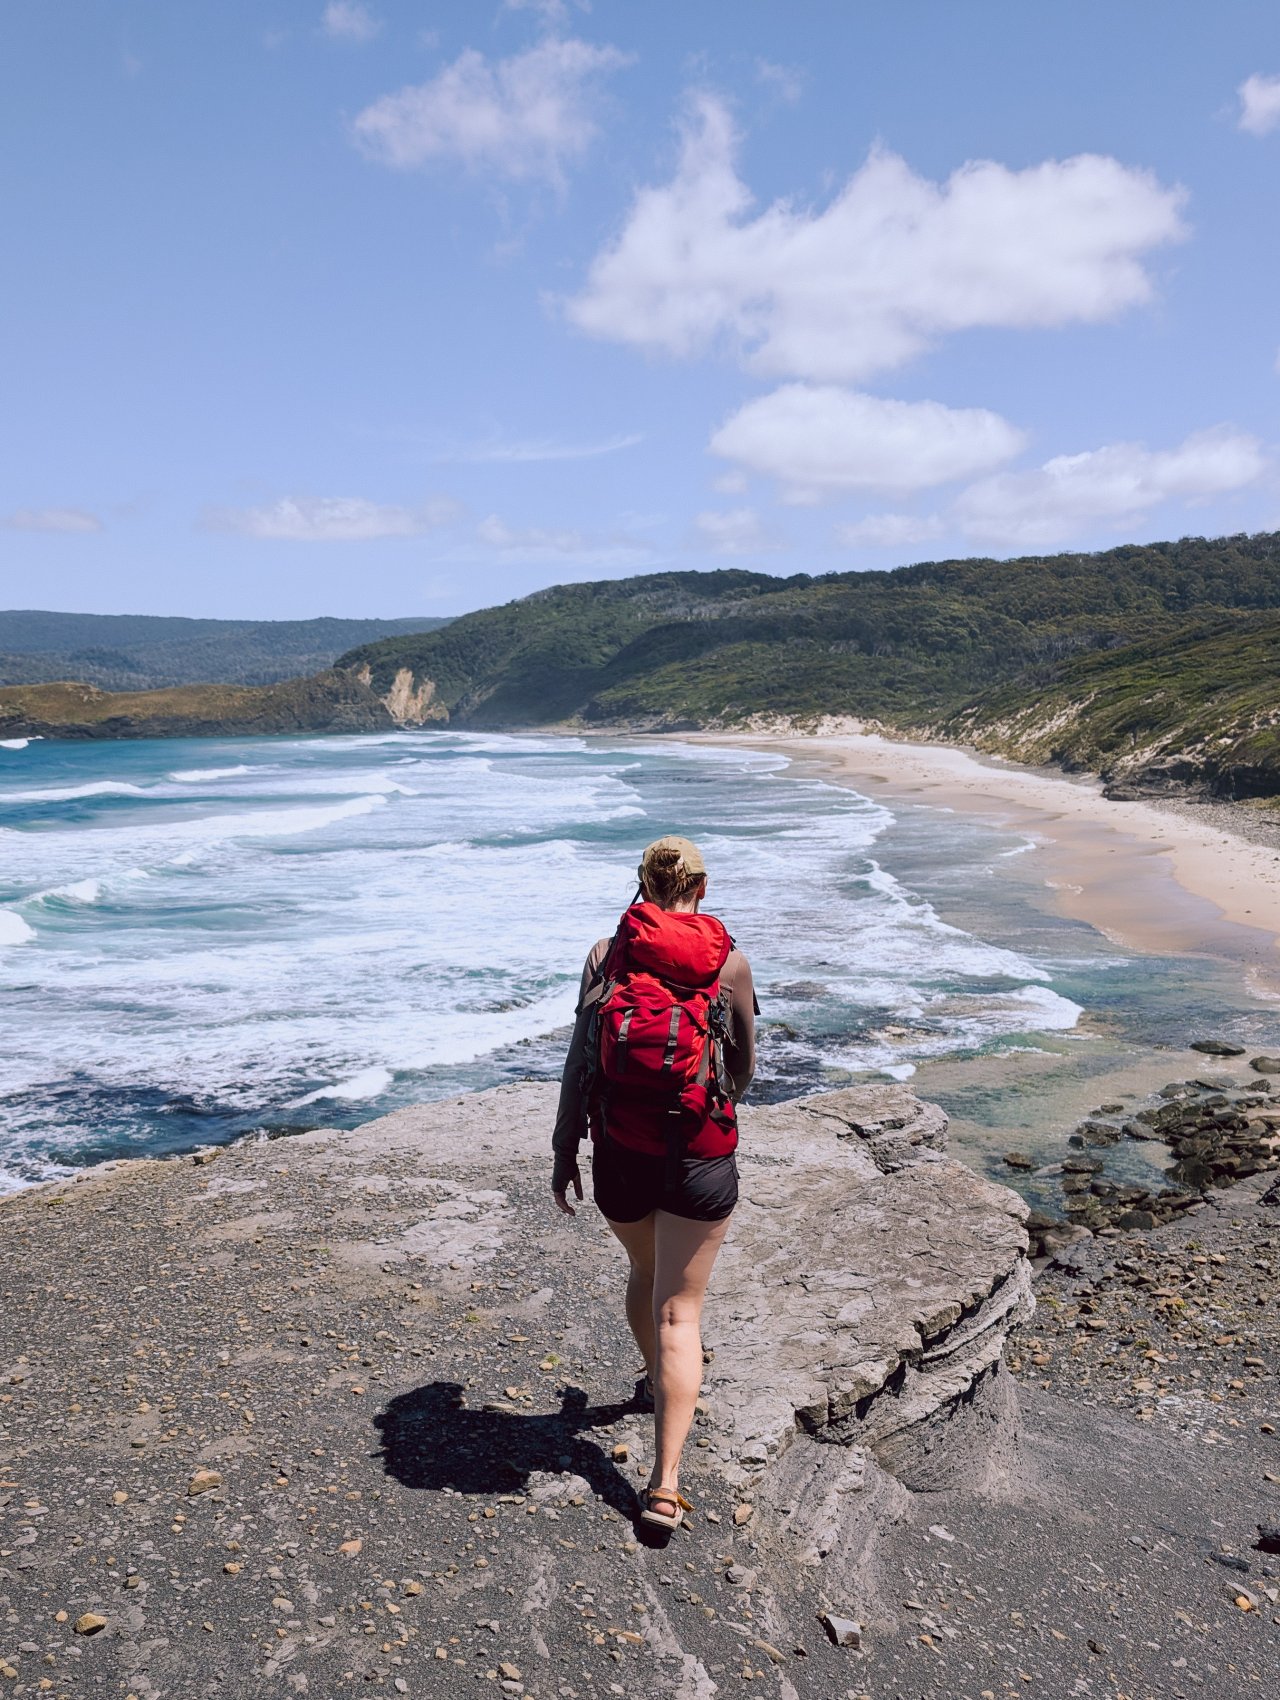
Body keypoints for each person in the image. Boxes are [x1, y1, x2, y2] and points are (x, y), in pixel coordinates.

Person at [551, 835, 756, 1530]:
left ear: (641, 883)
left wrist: (563, 1151)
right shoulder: (728, 964)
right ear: (701, 887)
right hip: (700, 1155)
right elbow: (745, 1070)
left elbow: (580, 1065)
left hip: (620, 1153)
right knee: (681, 1313)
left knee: (645, 1272)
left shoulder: (605, 956)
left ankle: (656, 1380)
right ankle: (664, 1486)